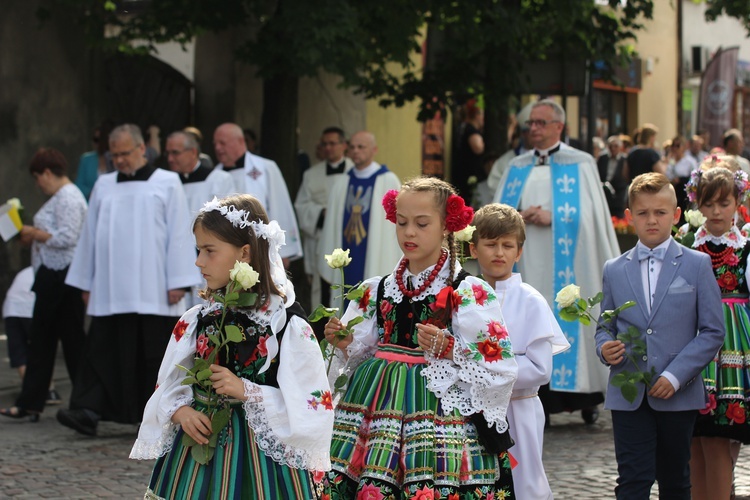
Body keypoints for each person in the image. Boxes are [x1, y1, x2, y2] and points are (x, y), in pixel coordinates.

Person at [319, 177, 518, 498]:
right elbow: (362, 351)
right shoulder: (376, 289)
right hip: (376, 403)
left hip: (439, 409)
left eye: (421, 223)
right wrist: (345, 343)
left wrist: (452, 348)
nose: (409, 232)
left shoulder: (467, 291)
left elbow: (500, 366)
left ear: (446, 226)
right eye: (401, 223)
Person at [130, 194, 333, 498]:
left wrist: (247, 390)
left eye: (209, 251)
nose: (199, 261)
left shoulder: (285, 325)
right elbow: (169, 382)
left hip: (261, 459)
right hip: (199, 449)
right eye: (199, 250)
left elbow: (311, 403)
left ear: (246, 253)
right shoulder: (197, 319)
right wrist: (180, 411)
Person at [57, 124, 200, 436]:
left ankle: (157, 414)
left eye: (124, 153)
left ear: (141, 149)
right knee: (102, 350)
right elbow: (90, 235)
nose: (119, 160)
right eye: (114, 154)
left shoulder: (166, 181)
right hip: (110, 288)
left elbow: (178, 231)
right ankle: (88, 409)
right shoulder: (104, 185)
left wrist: (178, 278)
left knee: (152, 354)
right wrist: (86, 281)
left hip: (155, 288)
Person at [596, 172, 724, 499]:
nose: (651, 220)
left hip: (677, 393)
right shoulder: (614, 267)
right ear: (629, 217)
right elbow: (605, 325)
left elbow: (712, 331)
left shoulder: (697, 265)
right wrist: (603, 348)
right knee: (632, 482)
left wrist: (675, 375)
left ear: (676, 215)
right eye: (643, 213)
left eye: (660, 212)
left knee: (675, 481)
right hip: (628, 391)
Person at [494, 99, 619, 424]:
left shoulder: (580, 162)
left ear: (558, 127)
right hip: (525, 257)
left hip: (567, 259)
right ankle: (536, 395)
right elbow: (497, 214)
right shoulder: (516, 165)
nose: (533, 128)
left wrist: (556, 216)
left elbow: (593, 216)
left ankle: (581, 396)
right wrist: (518, 217)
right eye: (530, 123)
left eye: (540, 122)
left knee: (566, 314)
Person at [470, 203, 570, 500]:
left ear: (519, 251)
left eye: (507, 245)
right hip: (473, 409)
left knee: (522, 481)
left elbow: (540, 369)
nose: (499, 252)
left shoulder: (530, 301)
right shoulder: (463, 296)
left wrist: (487, 368)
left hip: (519, 409)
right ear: (474, 249)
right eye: (490, 244)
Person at [1, 149, 88, 422]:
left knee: (63, 341)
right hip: (53, 276)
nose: (38, 184)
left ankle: (81, 401)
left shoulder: (69, 197)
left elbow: (68, 237)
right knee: (45, 340)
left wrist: (32, 232)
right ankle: (34, 402)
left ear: (48, 173)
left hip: (61, 276)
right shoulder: (61, 198)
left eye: (38, 177)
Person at [681, 165, 750, 500]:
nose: (716, 211)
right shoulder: (686, 242)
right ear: (698, 205)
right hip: (691, 343)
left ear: (738, 201)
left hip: (732, 348)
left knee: (719, 436)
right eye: (709, 204)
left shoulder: (745, 247)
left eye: (724, 203)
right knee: (694, 439)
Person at [318, 131, 401, 300]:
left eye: (361, 147)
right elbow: (332, 225)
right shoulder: (342, 182)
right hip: (347, 249)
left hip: (375, 253)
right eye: (352, 147)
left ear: (374, 149)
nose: (356, 151)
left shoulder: (388, 180)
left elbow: (395, 225)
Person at [213, 123, 302, 262]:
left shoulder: (265, 168)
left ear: (240, 141)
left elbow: (280, 206)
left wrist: (284, 252)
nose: (218, 148)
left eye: (222, 143)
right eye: (215, 144)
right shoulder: (214, 177)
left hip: (262, 249)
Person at [294, 126, 353, 311]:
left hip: (349, 237)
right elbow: (301, 206)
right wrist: (321, 213)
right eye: (324, 144)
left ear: (344, 145)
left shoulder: (355, 171)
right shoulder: (311, 174)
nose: (328, 148)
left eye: (333, 143)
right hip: (321, 239)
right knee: (322, 288)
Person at [166, 131, 234, 215]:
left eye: (175, 153)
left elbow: (226, 217)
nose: (170, 159)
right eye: (167, 153)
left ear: (193, 152)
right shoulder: (168, 184)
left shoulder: (219, 179)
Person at [2, 267, 35, 383]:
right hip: (30, 308)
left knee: (19, 352)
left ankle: (30, 390)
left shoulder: (26, 271)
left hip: (11, 308)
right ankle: (49, 391)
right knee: (41, 350)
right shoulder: (53, 269)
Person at [453, 99, 486, 204]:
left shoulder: (463, 128)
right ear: (477, 115)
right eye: (482, 115)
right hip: (469, 174)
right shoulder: (471, 130)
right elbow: (478, 148)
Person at [74, 119, 114, 199]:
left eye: (98, 140)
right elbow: (79, 185)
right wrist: (95, 192)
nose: (95, 143)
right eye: (94, 139)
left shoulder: (116, 159)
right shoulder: (86, 159)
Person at [597, 135, 628, 218]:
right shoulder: (603, 158)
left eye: (616, 146)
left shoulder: (625, 160)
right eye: (611, 146)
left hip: (618, 193)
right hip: (604, 191)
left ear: (620, 147)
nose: (613, 148)